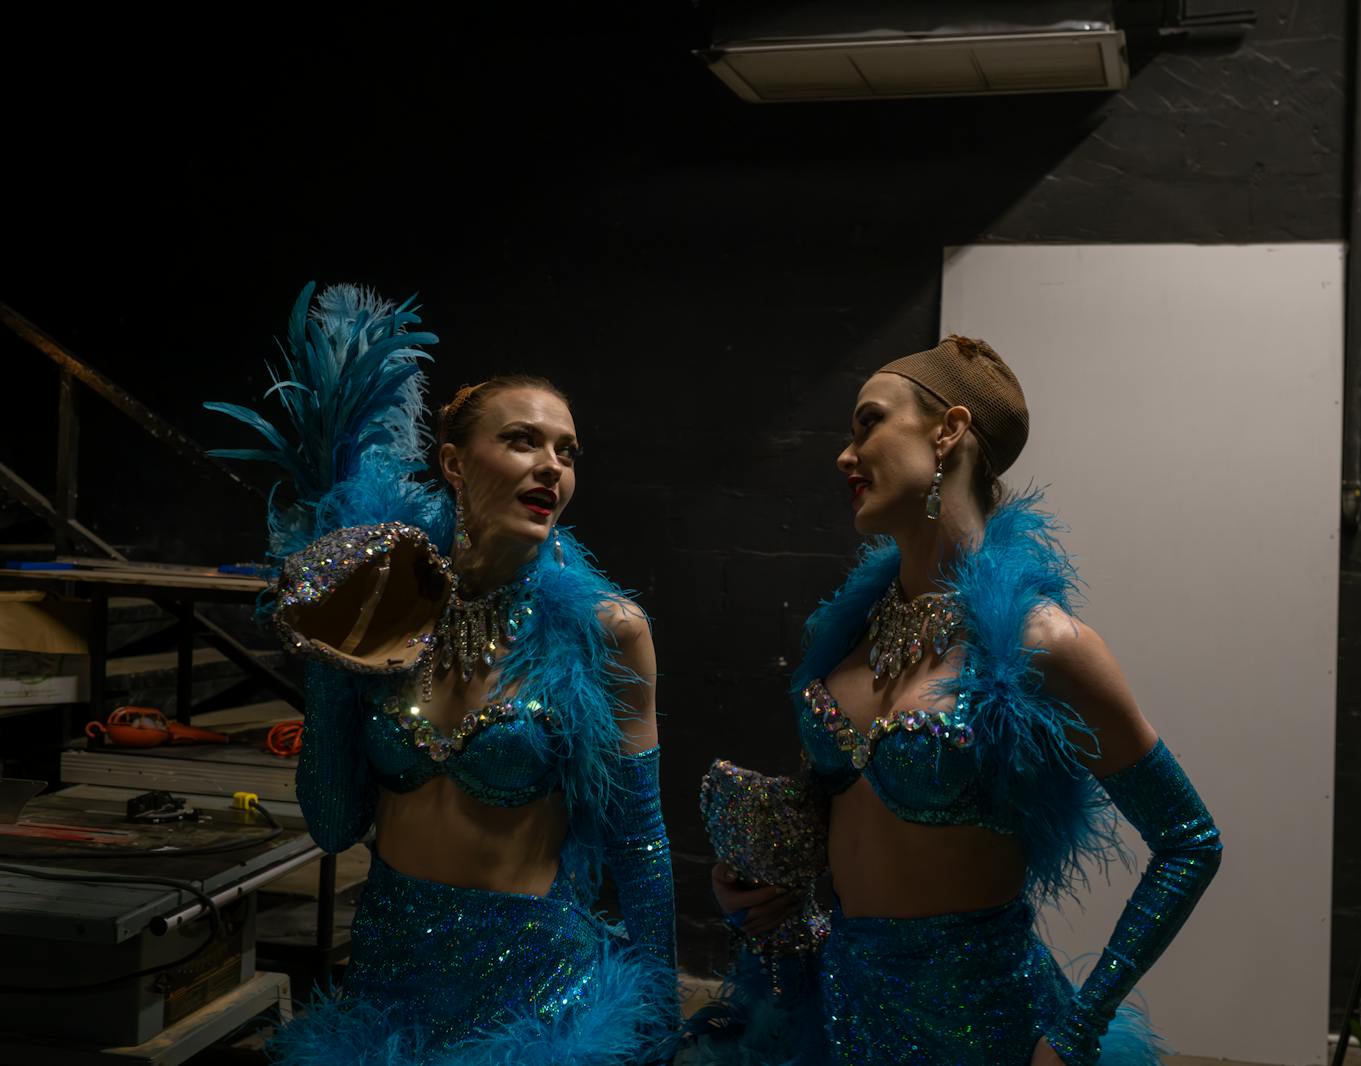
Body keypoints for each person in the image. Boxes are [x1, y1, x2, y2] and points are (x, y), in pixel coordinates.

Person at [694, 336, 1222, 1065]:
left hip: (983, 1032)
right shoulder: (845, 635)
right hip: (835, 1013)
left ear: (948, 430)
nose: (847, 457)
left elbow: (1189, 842)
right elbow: (850, 818)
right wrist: (763, 888)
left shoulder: (1043, 644)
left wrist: (1080, 1027)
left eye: (868, 422)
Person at [209, 283, 676, 1065]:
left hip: (535, 1002)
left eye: (567, 451)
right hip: (387, 990)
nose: (552, 467)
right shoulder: (390, 610)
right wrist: (329, 669)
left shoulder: (612, 632)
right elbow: (332, 824)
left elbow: (642, 846)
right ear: (455, 463)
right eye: (524, 441)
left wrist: (661, 1024)